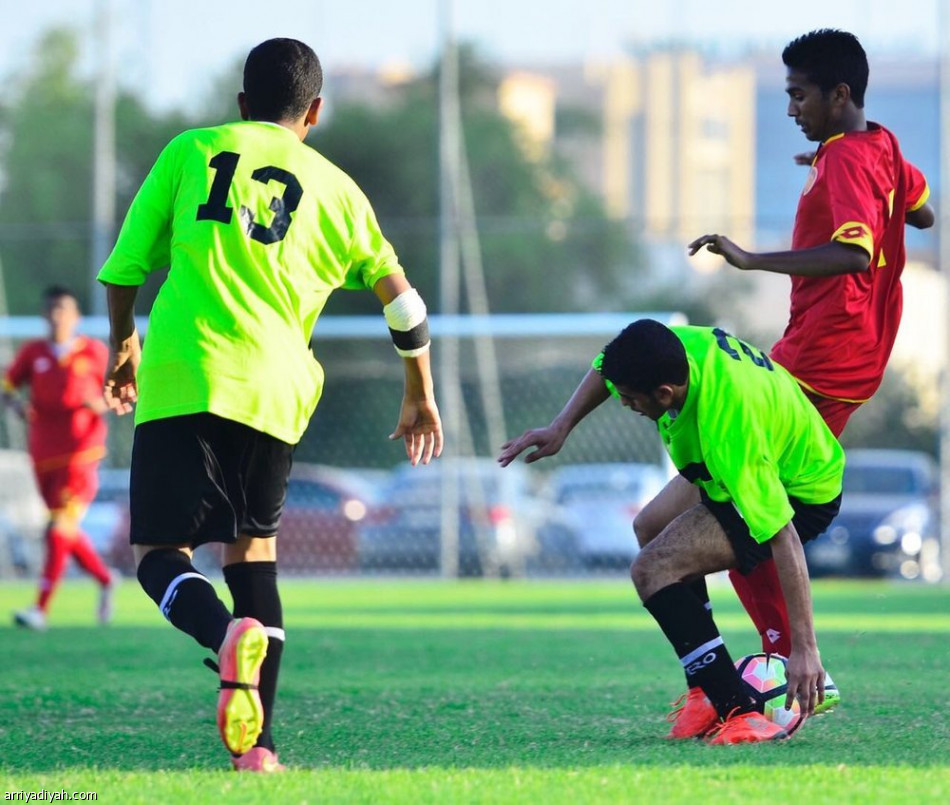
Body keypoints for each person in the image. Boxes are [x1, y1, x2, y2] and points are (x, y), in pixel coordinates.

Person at [97, 38, 443, 773]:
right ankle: (258, 750)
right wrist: (420, 390)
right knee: (255, 559)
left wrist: (122, 340)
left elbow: (126, 267)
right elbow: (405, 303)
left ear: (242, 104)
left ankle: (224, 635)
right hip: (278, 392)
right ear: (315, 112)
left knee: (160, 557)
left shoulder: (192, 149)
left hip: (185, 373)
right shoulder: (340, 189)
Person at [686, 29, 934, 689]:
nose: (790, 107)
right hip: (839, 352)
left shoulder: (851, 158)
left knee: (745, 513)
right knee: (688, 515)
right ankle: (748, 668)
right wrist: (833, 176)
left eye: (799, 95)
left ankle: (793, 668)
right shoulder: (877, 144)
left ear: (839, 93)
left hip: (825, 356)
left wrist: (750, 257)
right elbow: (924, 212)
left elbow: (853, 255)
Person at [499, 319, 844, 743]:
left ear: (664, 394)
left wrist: (805, 650)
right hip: (741, 461)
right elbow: (607, 365)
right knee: (651, 525)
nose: (624, 403)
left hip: (798, 491)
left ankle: (740, 711)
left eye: (629, 398)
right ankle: (705, 688)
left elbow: (783, 536)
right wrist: (561, 427)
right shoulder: (674, 347)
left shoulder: (729, 431)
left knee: (652, 569)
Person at [3, 286, 115, 631]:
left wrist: (102, 402)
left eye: (63, 310)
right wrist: (18, 405)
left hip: (82, 452)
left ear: (76, 316)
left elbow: (120, 388)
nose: (56, 316)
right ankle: (105, 578)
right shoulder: (33, 352)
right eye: (51, 309)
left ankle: (40, 609)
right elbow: (8, 386)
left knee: (57, 529)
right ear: (43, 315)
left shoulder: (93, 352)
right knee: (62, 529)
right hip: (43, 454)